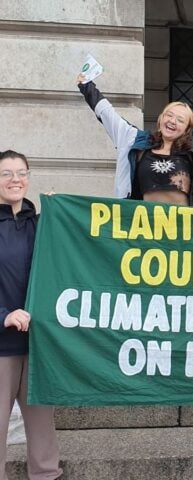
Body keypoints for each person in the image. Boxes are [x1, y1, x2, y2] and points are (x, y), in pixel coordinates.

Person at [77, 60, 193, 206]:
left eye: (180, 120)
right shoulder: (136, 140)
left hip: (182, 226)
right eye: (169, 115)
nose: (172, 121)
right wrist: (86, 86)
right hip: (143, 225)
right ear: (160, 119)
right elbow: (109, 116)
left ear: (187, 128)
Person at [0, 150, 62, 480]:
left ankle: (47, 476)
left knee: (42, 426)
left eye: (21, 172)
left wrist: (60, 216)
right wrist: (4, 315)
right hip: (2, 346)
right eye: (6, 173)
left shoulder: (38, 223)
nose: (15, 180)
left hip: (38, 346)